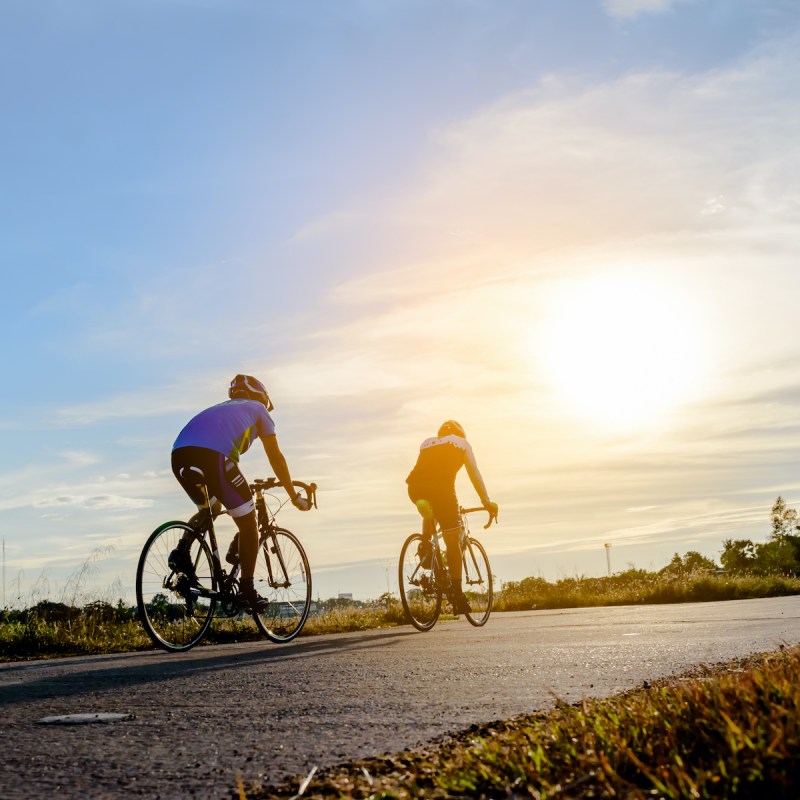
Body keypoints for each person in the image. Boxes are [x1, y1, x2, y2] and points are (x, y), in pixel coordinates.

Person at [169, 374, 310, 612]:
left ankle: (182, 552)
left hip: (179, 454)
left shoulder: (221, 409)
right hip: (212, 457)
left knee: (210, 509)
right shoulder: (259, 409)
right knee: (248, 523)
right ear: (262, 397)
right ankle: (247, 590)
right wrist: (293, 494)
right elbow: (276, 458)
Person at [406, 420, 498, 614]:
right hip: (442, 491)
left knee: (432, 512)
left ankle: (425, 548)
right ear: (461, 434)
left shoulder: (427, 443)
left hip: (415, 489)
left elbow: (426, 473)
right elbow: (474, 473)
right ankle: (456, 594)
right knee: (453, 541)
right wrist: (486, 501)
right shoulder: (462, 443)